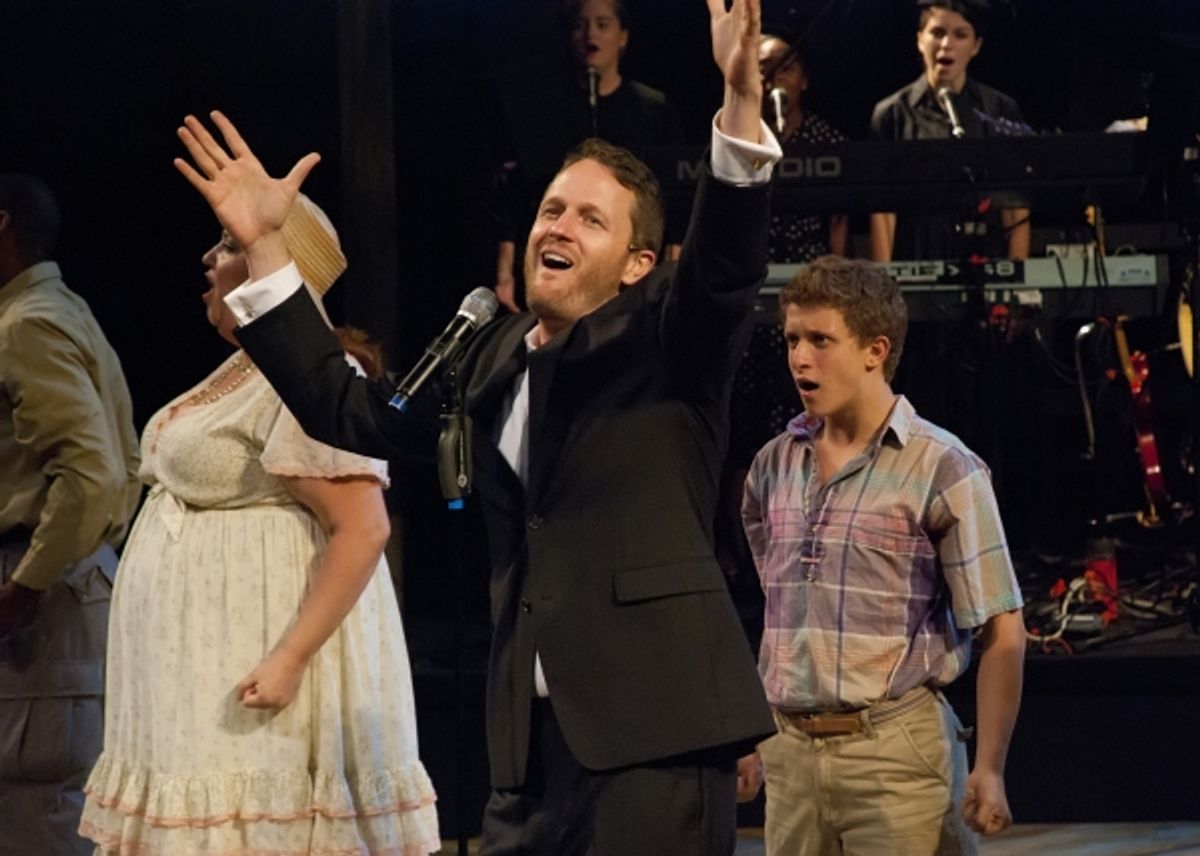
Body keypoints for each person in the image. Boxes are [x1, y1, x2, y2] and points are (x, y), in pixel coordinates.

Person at [171, 1, 779, 851]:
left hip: (657, 734)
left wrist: (741, 108)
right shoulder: (489, 351)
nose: (558, 226)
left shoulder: (667, 347)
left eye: (589, 220)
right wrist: (269, 249)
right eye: (552, 209)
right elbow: (347, 412)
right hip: (525, 749)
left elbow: (721, 272)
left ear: (638, 265)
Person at [77, 195, 440, 855]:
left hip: (259, 673)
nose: (210, 258)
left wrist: (290, 657)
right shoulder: (243, 372)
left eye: (230, 245)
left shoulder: (309, 381)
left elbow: (363, 528)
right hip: (196, 683)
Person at [738, 255, 1026, 855]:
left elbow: (1003, 628)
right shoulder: (772, 465)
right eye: (792, 339)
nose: (799, 357)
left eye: (821, 339)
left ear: (875, 349)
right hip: (790, 753)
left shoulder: (942, 467)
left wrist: (991, 766)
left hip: (894, 753)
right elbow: (779, 615)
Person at [0, 174, 141, 856]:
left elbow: (91, 474)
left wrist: (22, 590)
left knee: (40, 812)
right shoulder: (61, 310)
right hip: (68, 587)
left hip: (45, 595)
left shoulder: (28, 323)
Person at [490, 0, 685, 313]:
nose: (589, 34)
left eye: (603, 24)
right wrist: (504, 272)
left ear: (623, 36)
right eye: (580, 25)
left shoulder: (652, 109)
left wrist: (672, 272)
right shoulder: (549, 110)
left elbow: (672, 197)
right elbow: (516, 191)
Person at [869, 0, 1031, 262]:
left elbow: (1015, 204)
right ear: (920, 40)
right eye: (937, 33)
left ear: (976, 45)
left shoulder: (998, 108)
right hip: (917, 252)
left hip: (984, 253)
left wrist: (1016, 278)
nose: (946, 44)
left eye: (960, 35)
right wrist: (884, 283)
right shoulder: (892, 113)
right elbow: (882, 210)